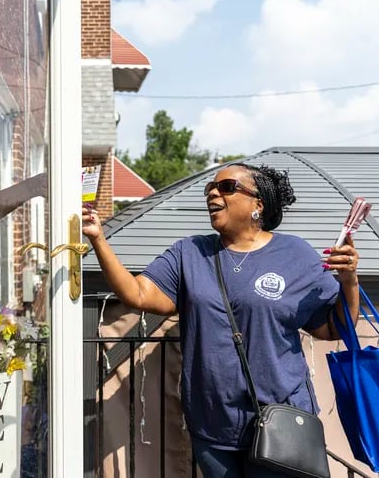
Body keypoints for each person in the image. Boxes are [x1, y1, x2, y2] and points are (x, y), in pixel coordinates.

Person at [82, 163, 361, 478]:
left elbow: (333, 329)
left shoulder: (295, 254)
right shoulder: (189, 253)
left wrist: (349, 281)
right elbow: (137, 294)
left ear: (258, 204)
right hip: (213, 427)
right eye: (210, 189)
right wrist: (98, 240)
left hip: (282, 421)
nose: (213, 193)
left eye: (227, 187)